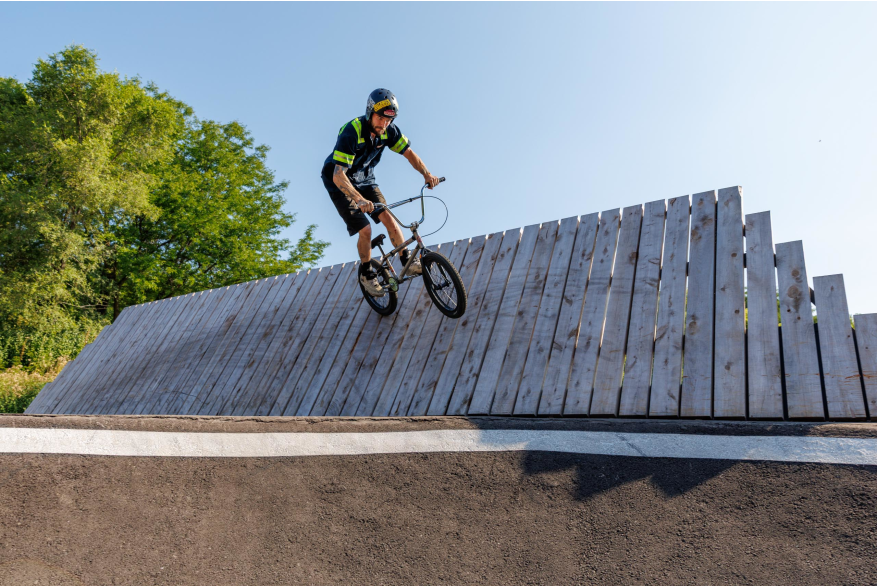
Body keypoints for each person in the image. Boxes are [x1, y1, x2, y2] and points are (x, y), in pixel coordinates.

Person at [321, 89, 440, 296]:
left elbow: (409, 153)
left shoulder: (389, 131)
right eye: (380, 118)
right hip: (339, 181)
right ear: (369, 112)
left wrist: (427, 174)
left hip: (365, 179)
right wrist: (359, 200)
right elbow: (339, 175)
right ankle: (367, 275)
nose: (384, 124)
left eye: (388, 120)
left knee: (389, 218)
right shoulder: (353, 131)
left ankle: (406, 261)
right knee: (365, 230)